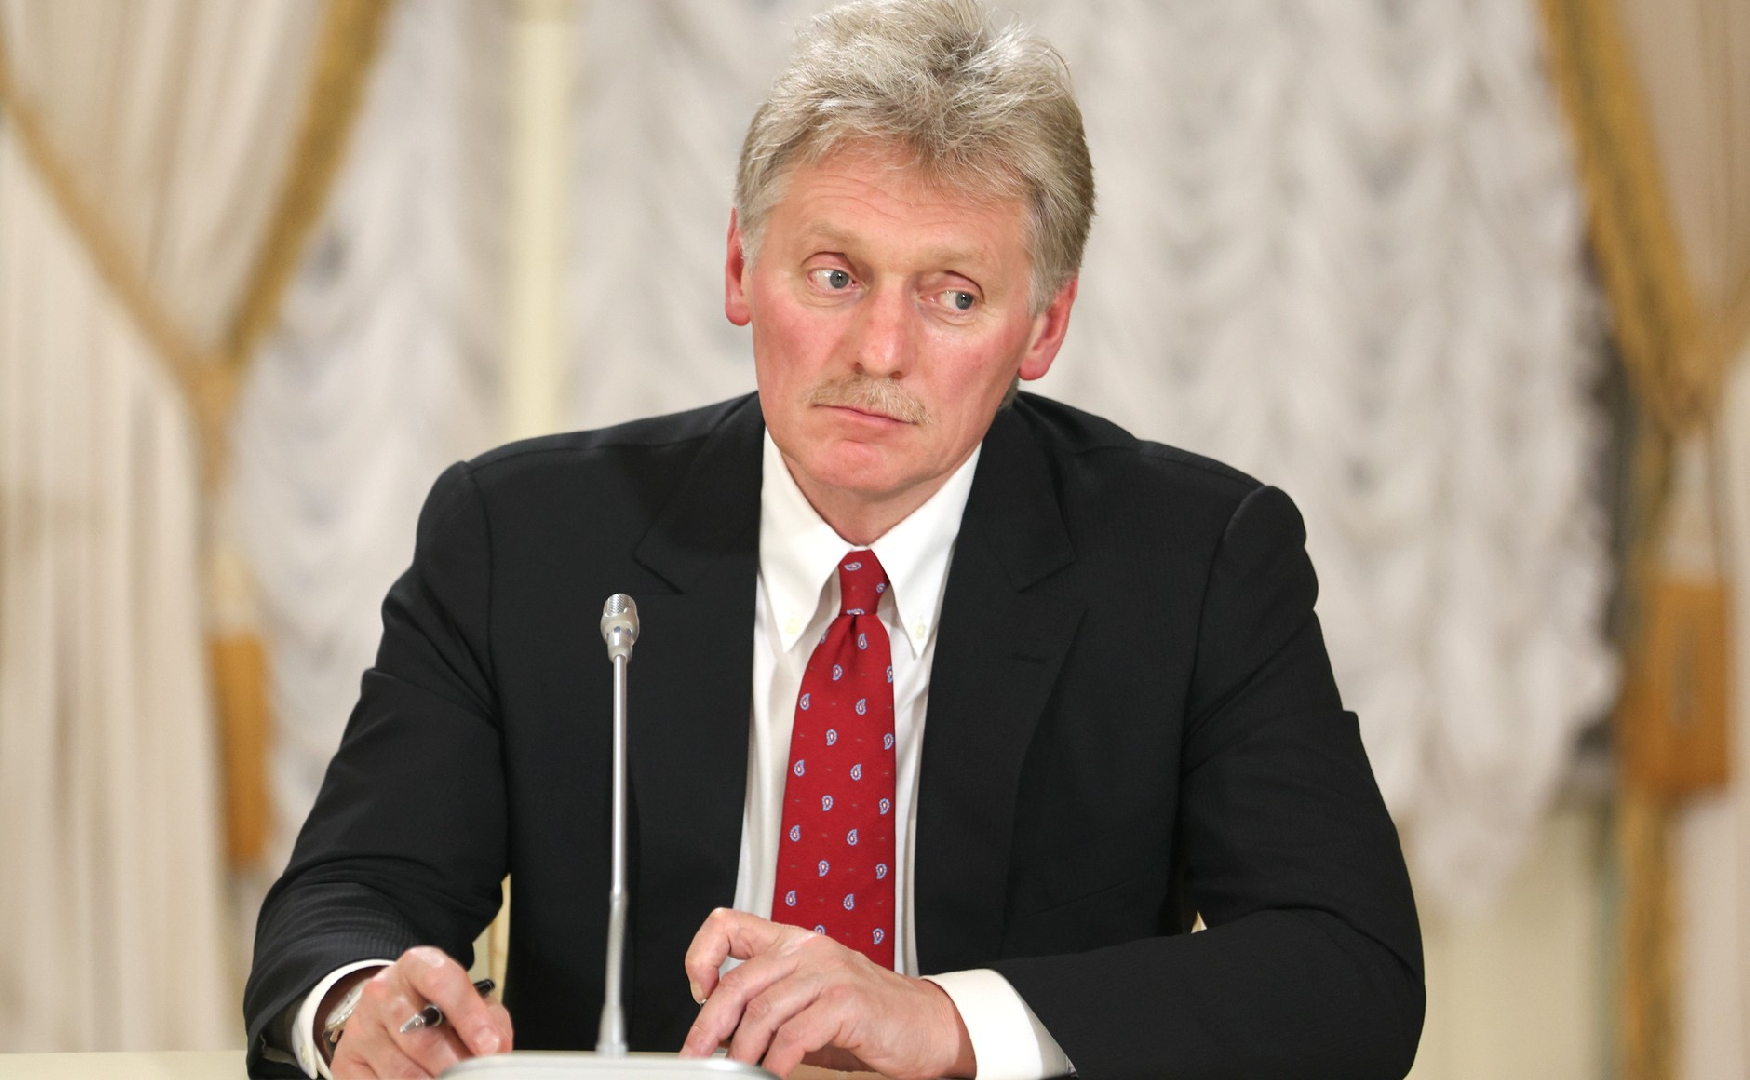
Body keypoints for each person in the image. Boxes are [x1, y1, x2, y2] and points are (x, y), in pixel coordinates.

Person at [244, 1, 1424, 1077]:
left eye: (953, 295)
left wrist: (944, 1020)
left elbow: (1347, 968)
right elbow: (353, 894)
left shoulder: (1194, 562)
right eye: (834, 274)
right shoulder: (523, 537)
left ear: (1043, 325)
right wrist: (357, 1009)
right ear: (739, 267)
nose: (879, 351)